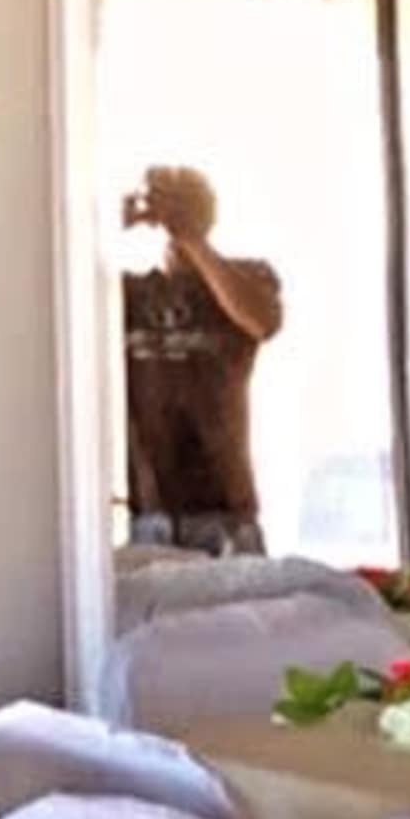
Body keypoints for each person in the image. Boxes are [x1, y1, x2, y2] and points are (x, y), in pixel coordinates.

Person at [121, 162, 286, 551]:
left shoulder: (249, 276)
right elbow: (58, 308)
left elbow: (261, 321)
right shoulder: (126, 292)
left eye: (187, 203)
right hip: (147, 512)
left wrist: (192, 239)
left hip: (227, 509)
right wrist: (102, 225)